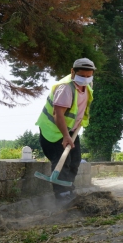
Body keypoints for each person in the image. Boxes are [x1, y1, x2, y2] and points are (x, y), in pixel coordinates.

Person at [36, 58, 95, 201]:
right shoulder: (65, 88)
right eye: (82, 76)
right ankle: (62, 196)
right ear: (72, 71)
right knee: (62, 161)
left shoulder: (86, 85)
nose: (85, 79)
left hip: (71, 131)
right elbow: (58, 114)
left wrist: (72, 132)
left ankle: (69, 190)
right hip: (53, 132)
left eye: (89, 76)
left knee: (75, 160)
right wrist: (65, 136)